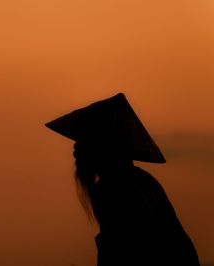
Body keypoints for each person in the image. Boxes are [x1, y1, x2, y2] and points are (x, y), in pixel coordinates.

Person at [45, 93, 200, 266]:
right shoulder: (144, 180)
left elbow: (119, 252)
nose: (76, 149)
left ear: (101, 146)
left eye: (84, 141)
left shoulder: (112, 188)